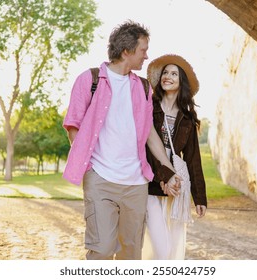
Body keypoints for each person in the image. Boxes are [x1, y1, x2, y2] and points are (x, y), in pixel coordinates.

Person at [62, 21, 180, 260]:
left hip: (136, 184)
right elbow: (73, 124)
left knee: (131, 252)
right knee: (102, 249)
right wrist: (91, 165)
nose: (147, 56)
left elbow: (150, 135)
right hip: (100, 180)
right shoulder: (89, 80)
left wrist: (169, 169)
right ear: (127, 51)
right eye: (143, 50)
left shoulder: (144, 87)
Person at [143, 54, 208, 260]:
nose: (167, 76)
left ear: (182, 82)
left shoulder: (187, 118)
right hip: (151, 184)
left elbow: (193, 159)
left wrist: (199, 197)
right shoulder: (149, 108)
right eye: (165, 72)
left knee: (172, 247)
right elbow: (145, 146)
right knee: (160, 249)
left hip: (176, 188)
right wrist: (164, 175)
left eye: (173, 73)